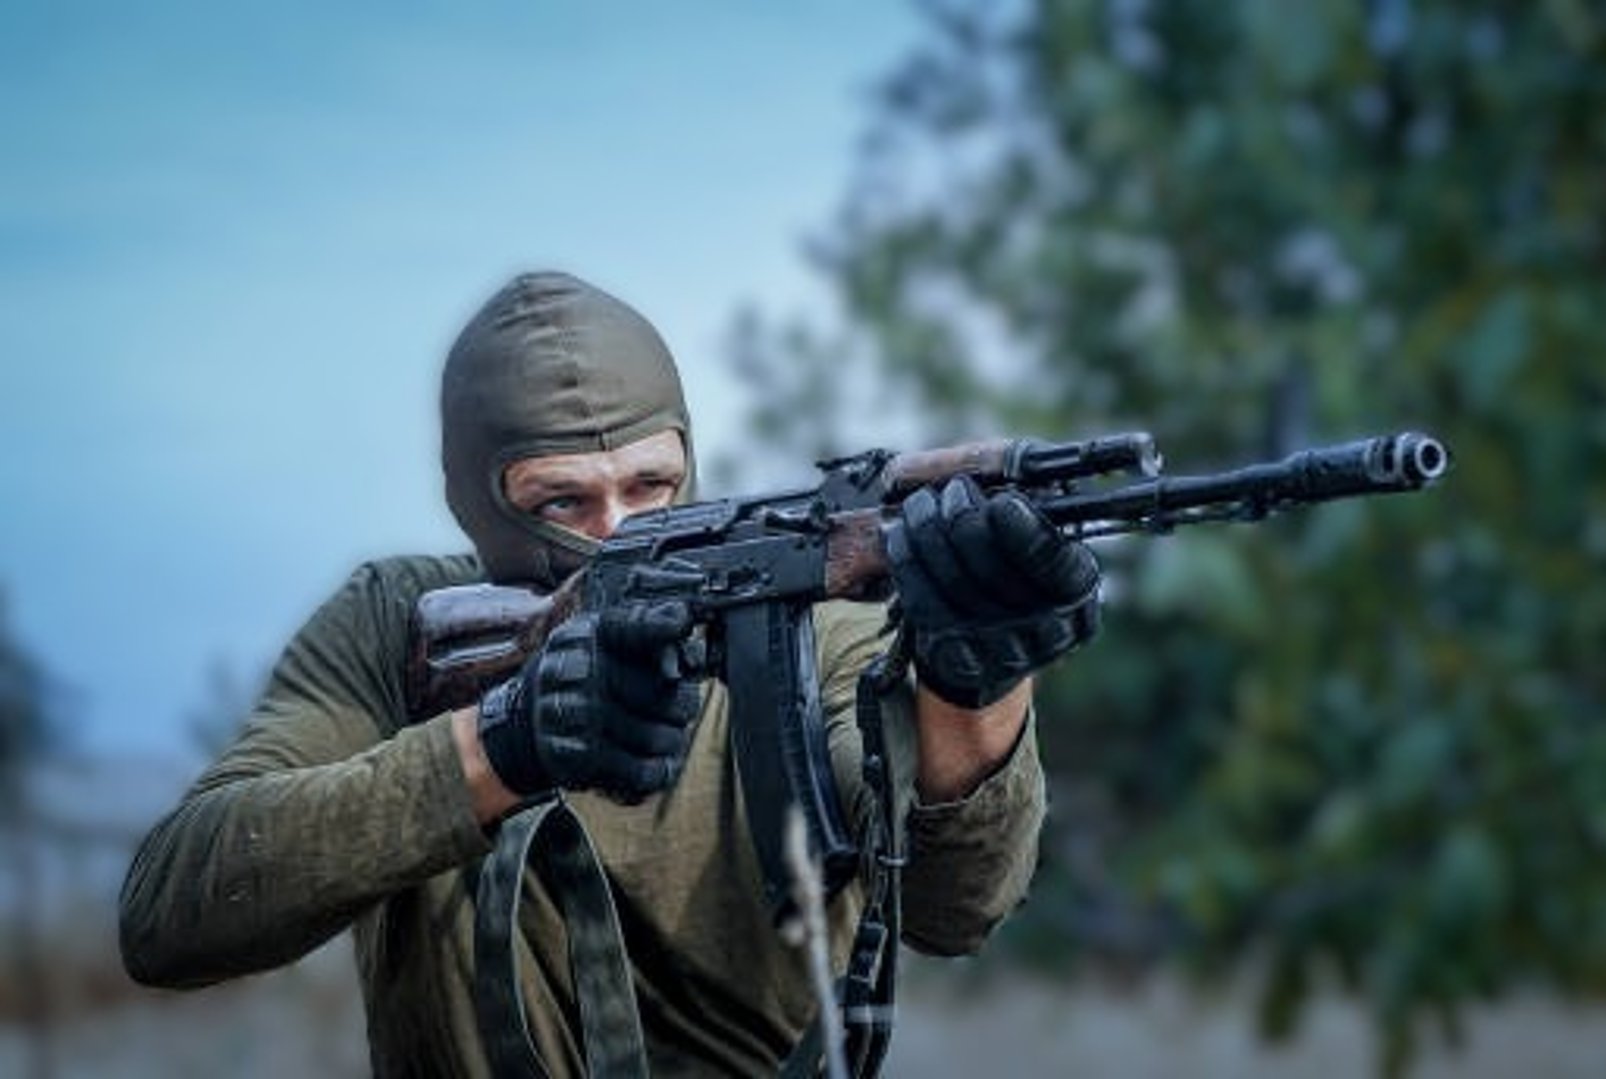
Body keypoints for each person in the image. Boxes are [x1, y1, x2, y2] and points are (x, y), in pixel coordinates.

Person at [117, 270, 1101, 1076]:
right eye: (561, 499)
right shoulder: (395, 623)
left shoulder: (817, 625)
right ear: (477, 498)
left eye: (652, 485)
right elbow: (169, 915)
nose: (618, 530)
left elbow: (954, 909)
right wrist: (503, 743)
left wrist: (976, 686)